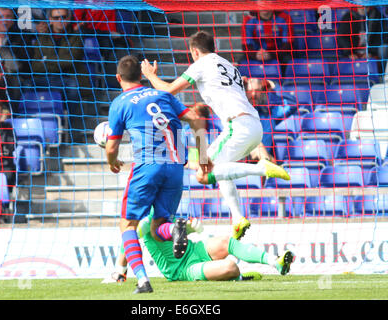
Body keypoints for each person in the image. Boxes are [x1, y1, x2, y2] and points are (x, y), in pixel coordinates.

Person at [141, 30, 290, 241]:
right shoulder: (229, 65)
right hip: (253, 124)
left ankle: (261, 168)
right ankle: (238, 217)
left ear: (194, 51)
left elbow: (168, 91)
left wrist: (150, 75)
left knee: (203, 174)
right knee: (214, 167)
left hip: (237, 126)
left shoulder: (202, 64)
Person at [105, 55, 211, 294]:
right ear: (142, 77)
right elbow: (195, 118)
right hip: (175, 168)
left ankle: (142, 280)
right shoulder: (164, 95)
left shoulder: (120, 103)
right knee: (157, 229)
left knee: (128, 225)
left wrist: (112, 161)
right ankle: (174, 230)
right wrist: (203, 156)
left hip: (147, 166)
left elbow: (111, 147)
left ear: (118, 78)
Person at [107, 213, 294, 283]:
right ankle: (237, 277)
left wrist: (192, 226)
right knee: (230, 267)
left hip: (194, 250)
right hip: (182, 269)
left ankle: (275, 262)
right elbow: (128, 239)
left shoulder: (166, 205)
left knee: (226, 242)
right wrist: (121, 272)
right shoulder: (145, 220)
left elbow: (180, 232)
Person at [28, 8, 91, 142]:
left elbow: (71, 61)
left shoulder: (76, 37)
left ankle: (72, 131)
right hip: (46, 79)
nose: (60, 20)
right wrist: (59, 61)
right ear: (50, 20)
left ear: (68, 19)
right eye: (56, 18)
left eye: (63, 17)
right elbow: (35, 66)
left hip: (68, 79)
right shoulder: (42, 38)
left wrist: (47, 60)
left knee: (73, 87)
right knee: (27, 85)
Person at [0, 7, 33, 114]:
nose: (4, 20)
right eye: (1, 17)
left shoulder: (22, 37)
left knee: (15, 82)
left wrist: (1, 49)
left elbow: (17, 67)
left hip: (14, 79)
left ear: (13, 19)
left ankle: (10, 114)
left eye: (8, 16)